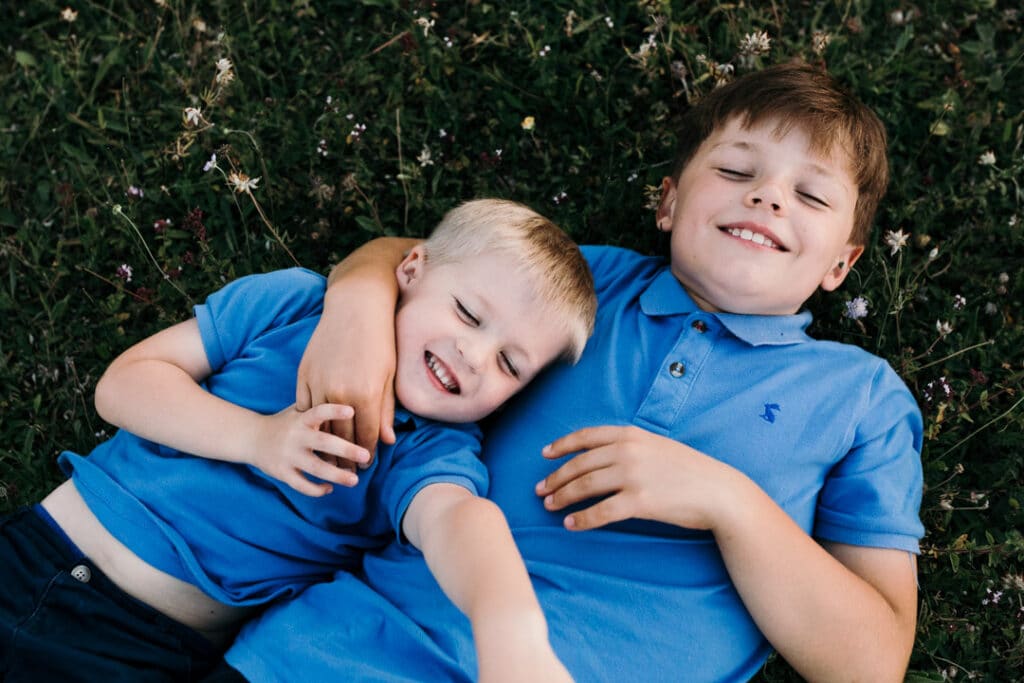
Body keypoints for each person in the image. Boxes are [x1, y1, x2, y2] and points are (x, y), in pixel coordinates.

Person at [219, 61, 925, 682]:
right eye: (737, 170)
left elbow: (870, 663)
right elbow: (416, 257)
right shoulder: (584, 286)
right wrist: (356, 309)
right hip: (335, 653)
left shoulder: (860, 398)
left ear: (843, 263)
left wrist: (726, 499)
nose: (768, 197)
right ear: (669, 201)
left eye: (811, 196)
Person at [0, 199, 596, 682]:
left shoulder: (430, 448)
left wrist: (512, 635)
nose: (474, 354)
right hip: (42, 555)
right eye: (468, 313)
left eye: (509, 365)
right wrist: (257, 439)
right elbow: (122, 386)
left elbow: (459, 523)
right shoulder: (294, 304)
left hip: (152, 649)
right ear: (411, 269)